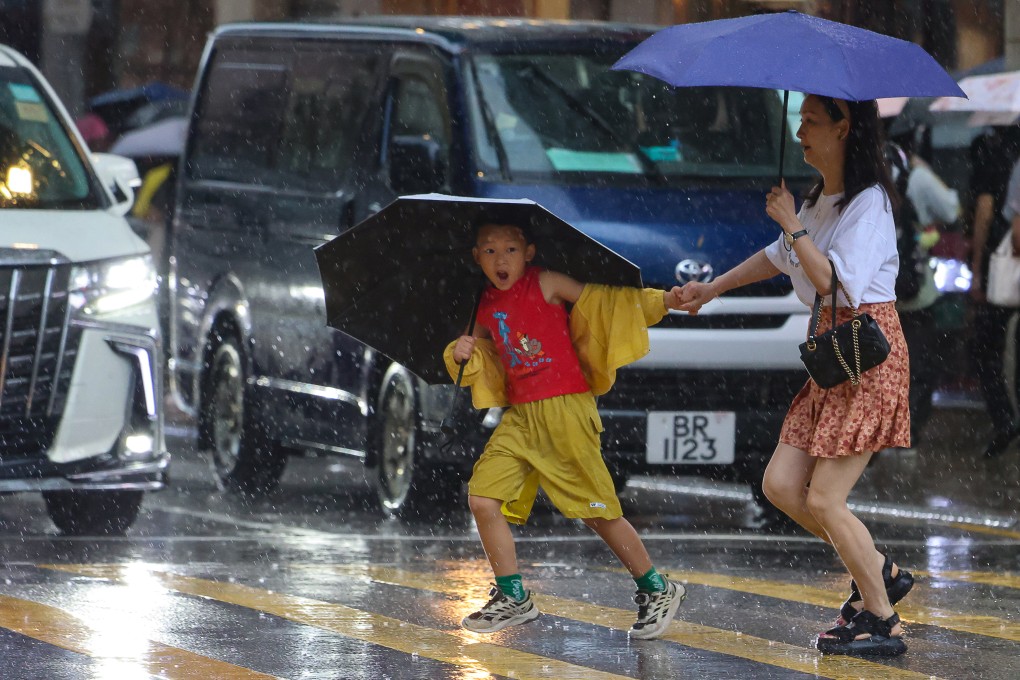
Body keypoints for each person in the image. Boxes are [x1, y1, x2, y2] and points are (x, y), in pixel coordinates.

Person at [678, 95, 913, 657]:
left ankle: (882, 620)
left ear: (843, 128)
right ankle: (878, 568)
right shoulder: (820, 200)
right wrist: (711, 290)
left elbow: (840, 286)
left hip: (866, 354)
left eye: (811, 120)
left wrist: (792, 225)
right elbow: (777, 257)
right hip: (832, 353)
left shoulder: (869, 204)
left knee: (827, 499)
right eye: (800, 118)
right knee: (783, 486)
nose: (800, 129)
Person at [445, 219, 687, 640]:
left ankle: (658, 588)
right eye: (489, 251)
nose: (500, 260)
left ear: (530, 253)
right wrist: (459, 349)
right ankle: (513, 596)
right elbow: (472, 365)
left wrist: (664, 300)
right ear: (475, 257)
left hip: (566, 409)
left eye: (510, 250)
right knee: (483, 499)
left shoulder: (548, 283)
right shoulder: (480, 306)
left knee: (597, 512)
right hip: (520, 418)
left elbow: (609, 303)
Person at [886, 133, 960, 448]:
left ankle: (882, 430)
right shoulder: (917, 176)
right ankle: (909, 429)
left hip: (878, 290)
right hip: (915, 289)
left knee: (881, 363)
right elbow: (953, 211)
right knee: (919, 362)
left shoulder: (863, 175)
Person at [967, 125, 1020, 457]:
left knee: (986, 350)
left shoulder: (994, 153)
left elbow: (987, 214)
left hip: (1005, 270)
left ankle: (1005, 419)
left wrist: (976, 270)